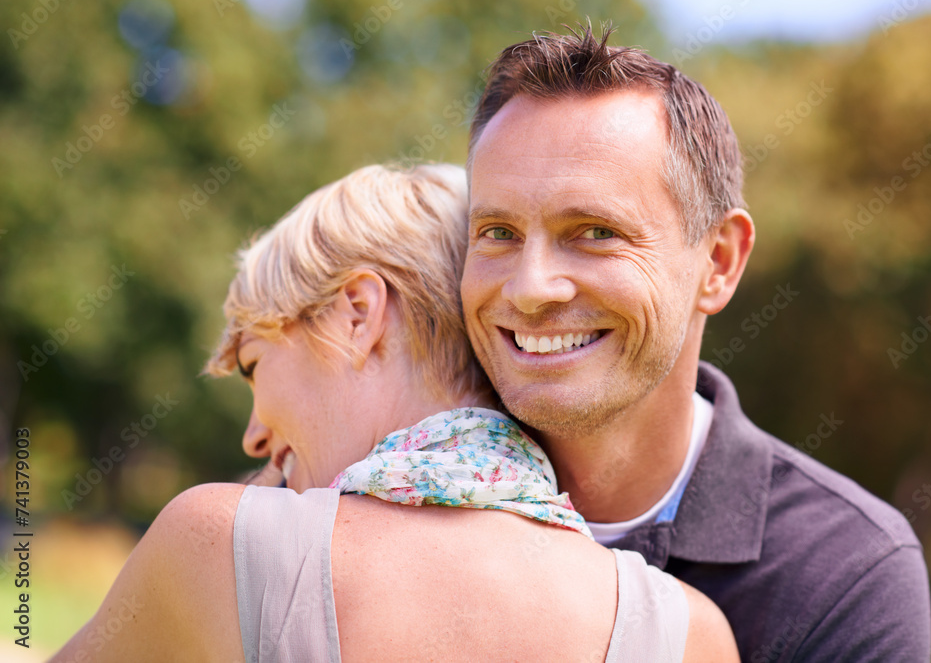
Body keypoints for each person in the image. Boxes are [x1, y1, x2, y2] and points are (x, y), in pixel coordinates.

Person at [54, 163, 738, 661]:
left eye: (256, 363)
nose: (254, 433)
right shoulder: (684, 631)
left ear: (358, 312)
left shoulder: (220, 543)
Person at [460, 24, 931, 661]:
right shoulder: (389, 496)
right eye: (496, 232)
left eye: (595, 231)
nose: (530, 288)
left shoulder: (848, 572)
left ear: (718, 262)